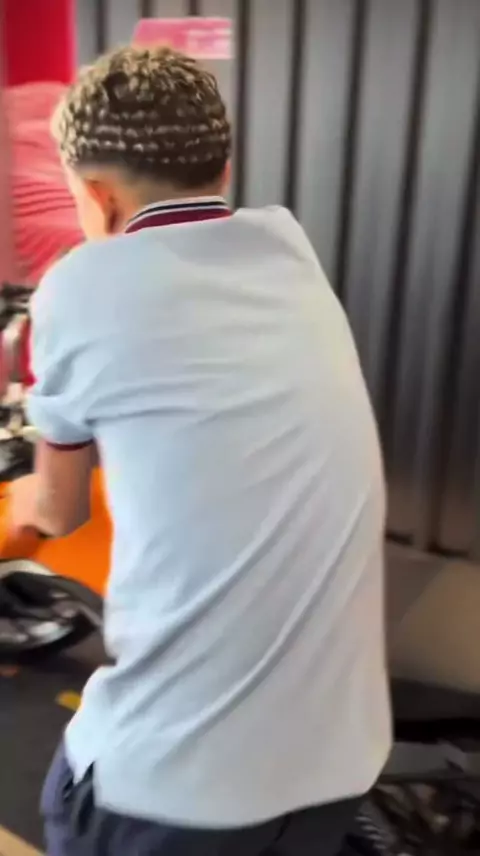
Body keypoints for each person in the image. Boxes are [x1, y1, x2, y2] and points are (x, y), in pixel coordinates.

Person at [10, 46, 391, 856]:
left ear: (98, 197)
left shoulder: (78, 284)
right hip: (342, 759)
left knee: (66, 793)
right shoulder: (290, 256)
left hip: (176, 792)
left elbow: (58, 511)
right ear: (224, 167)